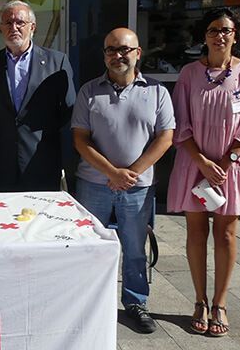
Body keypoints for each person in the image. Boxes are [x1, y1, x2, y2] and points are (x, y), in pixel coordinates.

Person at [167, 7, 240, 337]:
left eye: (226, 30)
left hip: (230, 167)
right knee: (195, 233)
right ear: (204, 36)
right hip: (194, 164)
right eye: (213, 30)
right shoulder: (189, 74)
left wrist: (223, 164)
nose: (219, 35)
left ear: (236, 35)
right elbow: (180, 123)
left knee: (225, 234)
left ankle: (220, 303)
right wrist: (202, 163)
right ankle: (200, 301)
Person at [71, 28, 175, 334]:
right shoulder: (89, 91)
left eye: (124, 49)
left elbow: (165, 138)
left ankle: (135, 302)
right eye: (111, 50)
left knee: (135, 248)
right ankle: (88, 302)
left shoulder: (157, 92)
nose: (117, 55)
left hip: (138, 188)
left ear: (138, 53)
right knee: (89, 246)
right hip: (93, 184)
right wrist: (111, 173)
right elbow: (80, 139)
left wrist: (131, 173)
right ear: (104, 55)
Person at [0, 0, 74, 192]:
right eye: (8, 23)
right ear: (1, 28)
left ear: (32, 27)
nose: (14, 27)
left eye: (20, 22)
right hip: (0, 163)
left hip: (41, 161)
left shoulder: (57, 62)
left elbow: (67, 112)